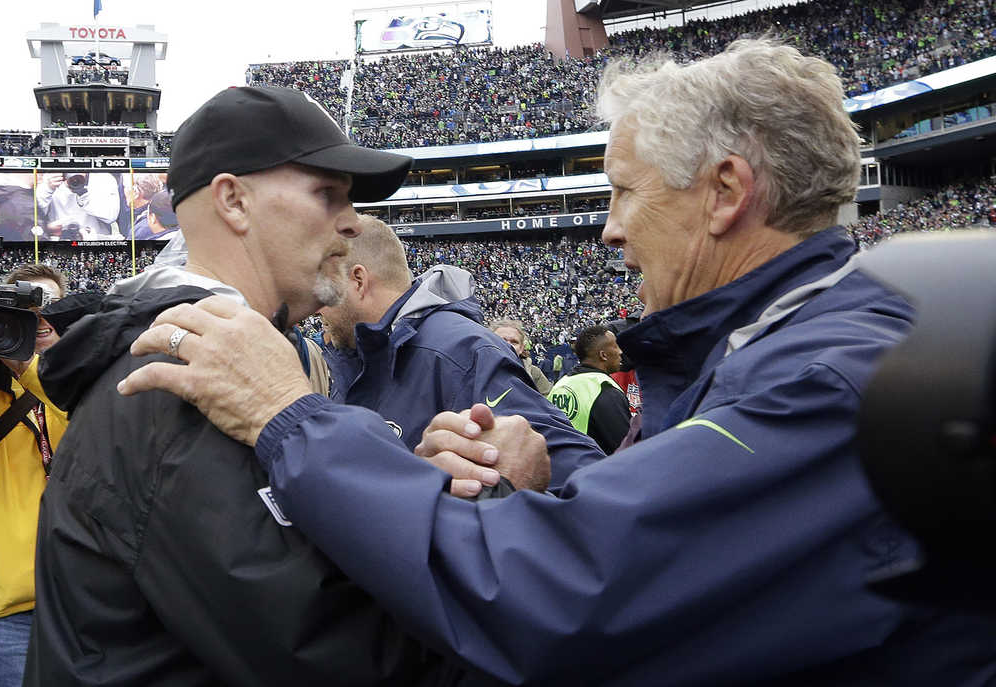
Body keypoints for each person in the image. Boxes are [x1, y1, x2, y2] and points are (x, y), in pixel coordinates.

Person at [118, 41, 996, 685]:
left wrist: (288, 417)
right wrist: (543, 477)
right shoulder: (781, 343)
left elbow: (560, 592)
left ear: (726, 192)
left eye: (623, 192)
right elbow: (649, 527)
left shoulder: (827, 381)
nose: (608, 229)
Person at [25, 86, 479, 686]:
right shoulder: (179, 381)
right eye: (327, 193)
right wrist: (484, 511)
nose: (352, 223)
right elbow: (341, 655)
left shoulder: (215, 358)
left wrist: (400, 491)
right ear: (234, 201)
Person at [319, 215, 600, 495]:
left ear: (358, 280)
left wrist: (471, 504)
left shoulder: (460, 351)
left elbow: (579, 475)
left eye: (326, 291)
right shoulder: (358, 357)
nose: (317, 307)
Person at [0, 265, 68, 687]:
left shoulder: (86, 384)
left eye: (48, 306)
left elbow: (88, 425)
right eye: (25, 309)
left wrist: (32, 372)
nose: (38, 319)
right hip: (10, 611)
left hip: (79, 597)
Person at [547, 324, 630, 454]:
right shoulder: (605, 389)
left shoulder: (559, 385)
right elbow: (625, 448)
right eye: (616, 346)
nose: (620, 351)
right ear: (603, 355)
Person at [36, 171, 120, 238]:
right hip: (61, 239)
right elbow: (35, 216)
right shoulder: (50, 178)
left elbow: (110, 216)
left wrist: (82, 194)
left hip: (93, 239)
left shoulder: (104, 178)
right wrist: (48, 189)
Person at [489, 320, 552, 394]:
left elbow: (547, 402)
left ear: (521, 348)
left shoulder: (534, 373)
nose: (508, 345)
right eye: (501, 340)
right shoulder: (476, 370)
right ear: (489, 342)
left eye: (514, 342)